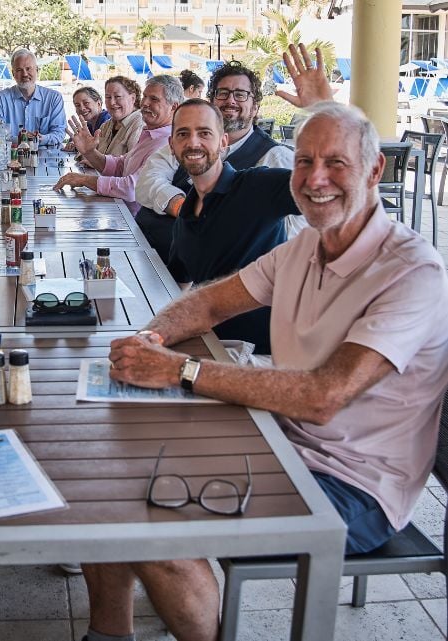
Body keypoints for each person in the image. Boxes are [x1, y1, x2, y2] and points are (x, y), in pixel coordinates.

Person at [80, 48, 448, 641]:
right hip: (278, 437)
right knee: (107, 472)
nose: (315, 179)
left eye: (336, 163)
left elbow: (323, 396)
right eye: (304, 162)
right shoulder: (304, 248)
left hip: (354, 487)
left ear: (375, 170)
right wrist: (151, 337)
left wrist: (178, 371)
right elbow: (209, 303)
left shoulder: (410, 270)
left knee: (155, 530)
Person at [164, 98, 303, 354]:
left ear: (223, 142)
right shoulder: (185, 218)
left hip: (267, 355)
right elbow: (178, 285)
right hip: (212, 347)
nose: (193, 142)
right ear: (172, 145)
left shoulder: (257, 186)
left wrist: (321, 107)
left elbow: (329, 184)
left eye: (204, 133)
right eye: (183, 134)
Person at [136, 59, 295, 263]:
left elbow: (293, 234)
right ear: (212, 101)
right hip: (148, 253)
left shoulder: (274, 157)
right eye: (223, 93)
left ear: (255, 107)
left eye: (240, 94)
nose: (230, 101)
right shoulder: (190, 142)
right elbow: (146, 181)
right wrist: (182, 207)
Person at [53, 75, 183, 216]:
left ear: (174, 107)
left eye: (154, 99)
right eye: (145, 97)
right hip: (118, 212)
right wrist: (90, 152)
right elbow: (121, 166)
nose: (145, 103)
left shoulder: (166, 142)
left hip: (136, 223)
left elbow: (133, 188)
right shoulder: (149, 133)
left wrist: (84, 179)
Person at [0, 48, 66, 145]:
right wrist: (20, 140)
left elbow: (59, 133)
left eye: (28, 68)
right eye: (19, 70)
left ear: (37, 70)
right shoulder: (1, 99)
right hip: (10, 154)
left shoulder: (54, 98)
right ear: (13, 74)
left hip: (44, 153)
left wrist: (41, 139)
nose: (24, 74)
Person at [93, 76, 144, 157]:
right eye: (108, 97)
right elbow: (91, 154)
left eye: (117, 96)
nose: (112, 102)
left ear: (133, 98)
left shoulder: (140, 125)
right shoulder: (106, 126)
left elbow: (134, 162)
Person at [63, 87, 110, 152]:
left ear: (99, 103)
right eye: (77, 105)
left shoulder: (107, 120)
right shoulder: (89, 124)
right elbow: (76, 138)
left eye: (86, 103)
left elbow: (101, 148)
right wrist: (72, 143)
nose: (82, 108)